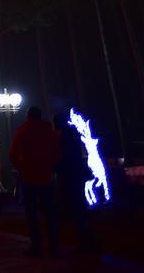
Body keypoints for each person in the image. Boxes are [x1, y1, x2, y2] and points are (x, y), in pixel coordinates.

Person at [9, 105, 61, 257]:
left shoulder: (22, 131)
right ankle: (54, 245)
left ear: (28, 116)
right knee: (49, 211)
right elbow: (57, 151)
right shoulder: (48, 131)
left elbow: (12, 153)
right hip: (46, 176)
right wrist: (52, 166)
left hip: (29, 176)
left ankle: (36, 245)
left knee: (32, 213)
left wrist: (21, 167)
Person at [56, 112, 96, 253]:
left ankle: (70, 241)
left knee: (71, 208)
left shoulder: (60, 138)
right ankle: (86, 238)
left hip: (68, 176)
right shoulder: (74, 137)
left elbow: (59, 158)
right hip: (77, 175)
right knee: (80, 208)